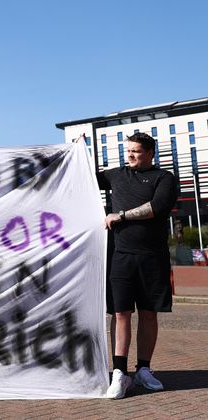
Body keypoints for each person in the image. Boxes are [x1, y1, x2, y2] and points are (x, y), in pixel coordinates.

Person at [95, 132, 178, 399]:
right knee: (120, 313)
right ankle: (119, 373)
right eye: (127, 150)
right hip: (120, 256)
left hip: (153, 257)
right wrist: (74, 150)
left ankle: (144, 369)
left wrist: (120, 215)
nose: (129, 155)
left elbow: (156, 207)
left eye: (136, 151)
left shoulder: (164, 178)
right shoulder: (115, 175)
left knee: (149, 313)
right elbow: (80, 177)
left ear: (150, 153)